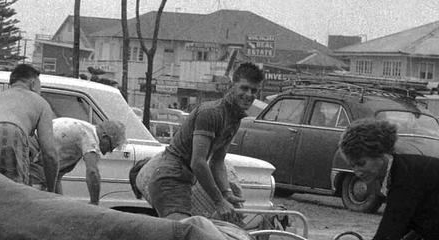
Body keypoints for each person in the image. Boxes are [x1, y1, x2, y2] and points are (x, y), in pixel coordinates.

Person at [138, 62, 264, 223]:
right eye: (244, 88)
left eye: (254, 91)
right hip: (169, 178)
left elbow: (217, 162)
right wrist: (219, 201)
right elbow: (198, 162)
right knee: (183, 235)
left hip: (184, 180)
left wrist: (226, 193)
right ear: (232, 86)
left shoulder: (234, 119)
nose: (249, 95)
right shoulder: (211, 113)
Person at [31, 117, 127, 205]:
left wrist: (60, 202)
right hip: (35, 150)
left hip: (38, 151)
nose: (107, 152)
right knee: (34, 200)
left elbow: (56, 176)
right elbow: (92, 172)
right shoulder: (90, 139)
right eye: (110, 147)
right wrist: (95, 202)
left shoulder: (86, 131)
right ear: (105, 137)